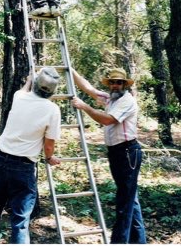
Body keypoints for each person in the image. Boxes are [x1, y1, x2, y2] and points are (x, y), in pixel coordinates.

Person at [0, 67, 61, 244]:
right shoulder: (52, 110)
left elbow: (24, 89)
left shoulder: (19, 97)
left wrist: (30, 78)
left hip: (3, 159)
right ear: (53, 91)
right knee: (20, 217)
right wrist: (49, 158)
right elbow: (49, 145)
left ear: (36, 84)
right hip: (23, 166)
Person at [71, 67, 146, 244]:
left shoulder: (126, 101)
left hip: (128, 153)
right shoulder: (111, 99)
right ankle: (139, 242)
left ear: (125, 85)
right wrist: (71, 70)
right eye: (112, 82)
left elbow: (107, 119)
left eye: (118, 82)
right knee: (130, 200)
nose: (114, 86)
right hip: (116, 153)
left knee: (124, 202)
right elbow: (88, 88)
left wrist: (84, 107)